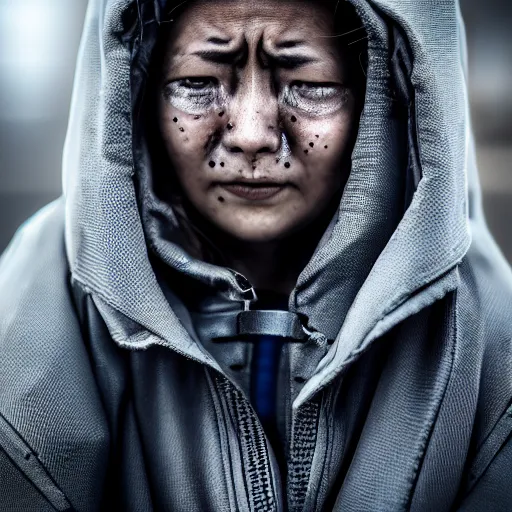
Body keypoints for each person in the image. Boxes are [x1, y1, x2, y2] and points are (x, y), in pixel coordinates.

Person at [0, 0, 511, 510]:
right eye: (198, 83)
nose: (250, 136)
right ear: (135, 94)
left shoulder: (490, 346)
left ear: (385, 101)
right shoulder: (36, 313)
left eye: (310, 88)